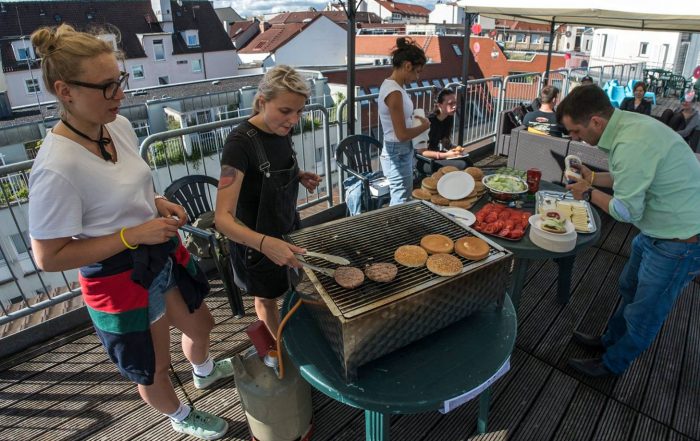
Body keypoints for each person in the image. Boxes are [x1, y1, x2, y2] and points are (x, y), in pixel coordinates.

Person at [26, 25, 232, 440]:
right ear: (65, 91)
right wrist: (132, 235)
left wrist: (155, 201)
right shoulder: (56, 166)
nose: (120, 94)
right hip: (119, 274)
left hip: (157, 253)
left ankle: (203, 371)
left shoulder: (114, 125)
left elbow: (122, 185)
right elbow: (47, 258)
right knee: (152, 365)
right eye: (106, 87)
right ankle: (180, 414)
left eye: (119, 80)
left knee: (202, 324)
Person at [556, 85, 700, 378]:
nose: (574, 138)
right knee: (629, 287)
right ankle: (609, 341)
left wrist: (587, 191)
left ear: (595, 122)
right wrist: (593, 176)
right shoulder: (630, 127)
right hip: (657, 229)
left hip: (679, 240)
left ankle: (612, 364)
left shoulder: (632, 143)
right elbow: (629, 177)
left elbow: (625, 211)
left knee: (644, 313)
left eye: (576, 131)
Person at [215, 66, 321, 338]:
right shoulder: (239, 144)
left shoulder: (281, 130)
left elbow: (268, 170)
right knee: (266, 298)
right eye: (286, 111)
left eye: (299, 111)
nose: (293, 120)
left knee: (294, 285)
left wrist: (297, 175)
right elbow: (222, 219)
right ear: (262, 101)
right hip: (255, 243)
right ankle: (281, 348)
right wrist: (264, 244)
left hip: (286, 226)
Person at [378, 37, 430, 205]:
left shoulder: (395, 87)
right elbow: (401, 135)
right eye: (417, 72)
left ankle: (394, 228)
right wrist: (424, 126)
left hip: (398, 150)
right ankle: (393, 230)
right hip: (397, 150)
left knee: (402, 194)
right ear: (408, 66)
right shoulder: (394, 92)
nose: (417, 77)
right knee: (401, 198)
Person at [415, 88, 472, 174]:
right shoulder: (427, 122)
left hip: (436, 156)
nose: (454, 106)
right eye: (450, 103)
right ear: (439, 105)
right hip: (423, 160)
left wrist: (455, 149)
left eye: (455, 103)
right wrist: (446, 155)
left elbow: (445, 143)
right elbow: (421, 151)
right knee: (462, 164)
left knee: (467, 161)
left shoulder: (447, 118)